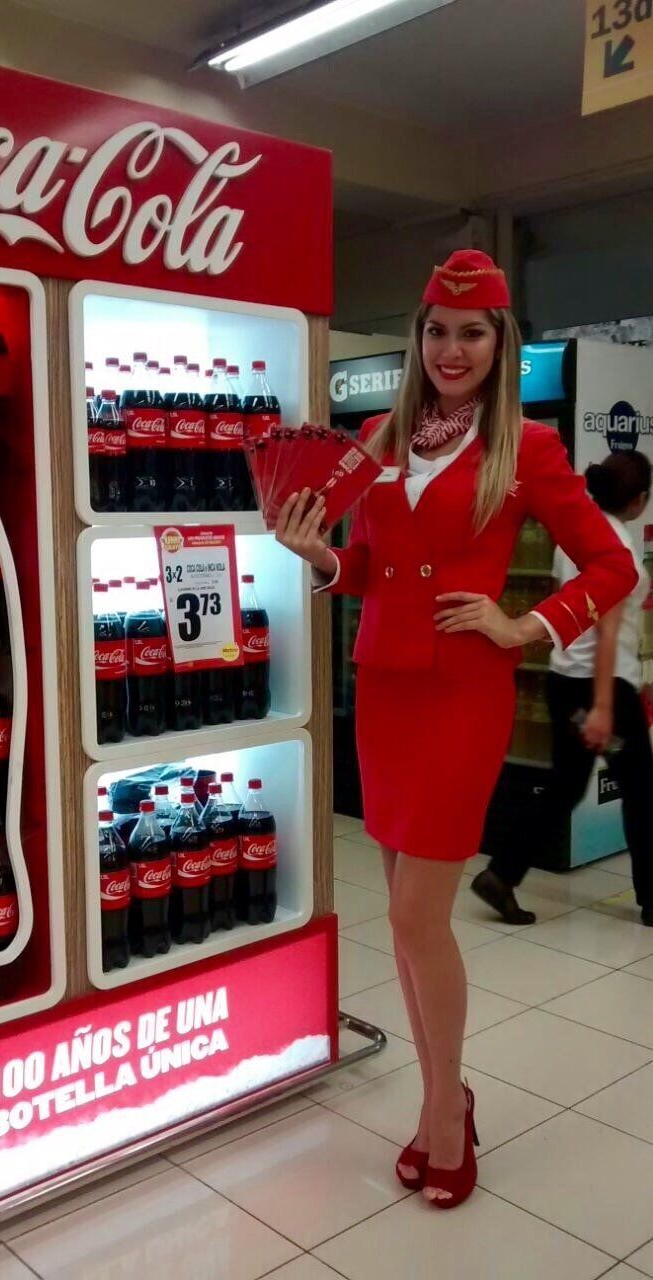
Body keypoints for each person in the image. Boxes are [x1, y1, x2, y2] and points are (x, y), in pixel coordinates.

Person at [275, 249, 636, 1210]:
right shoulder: (376, 439)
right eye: (436, 330)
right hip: (383, 697)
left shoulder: (530, 452)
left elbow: (610, 568)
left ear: (498, 341)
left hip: (461, 696)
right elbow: (364, 569)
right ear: (418, 337)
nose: (450, 347)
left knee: (410, 919)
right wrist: (319, 560)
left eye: (471, 332)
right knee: (403, 921)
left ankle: (443, 1110)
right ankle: (449, 1098)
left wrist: (524, 623)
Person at [474, 449, 653, 928]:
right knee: (641, 790)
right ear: (638, 500)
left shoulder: (573, 538)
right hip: (604, 690)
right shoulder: (618, 549)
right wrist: (601, 708)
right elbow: (608, 632)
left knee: (564, 787)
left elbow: (561, 601)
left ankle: (500, 874)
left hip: (562, 681)